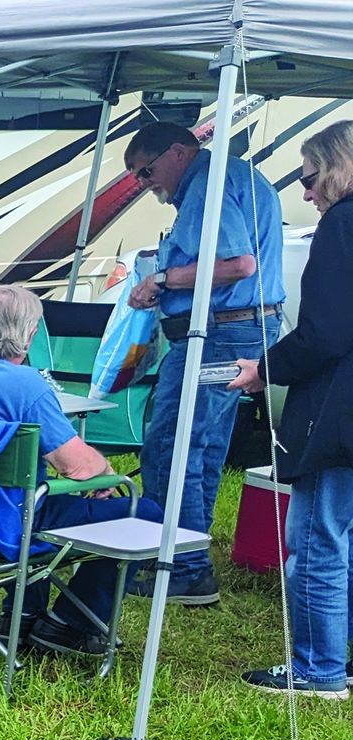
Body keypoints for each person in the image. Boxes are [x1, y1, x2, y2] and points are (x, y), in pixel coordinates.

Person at [0, 285, 161, 655]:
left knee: (23, 489)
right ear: (26, 335)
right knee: (145, 513)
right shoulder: (25, 386)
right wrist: (103, 468)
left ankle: (22, 614)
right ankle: (70, 625)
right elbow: (79, 467)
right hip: (7, 525)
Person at [119, 120, 286, 606]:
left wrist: (164, 279)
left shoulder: (207, 185)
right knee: (205, 446)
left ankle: (184, 567)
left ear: (177, 153)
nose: (144, 186)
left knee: (172, 444)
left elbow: (238, 264)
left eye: (145, 172)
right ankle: (184, 553)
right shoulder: (231, 176)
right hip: (245, 327)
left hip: (220, 332)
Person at [228, 122, 353, 700]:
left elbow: (325, 332)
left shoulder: (342, 226)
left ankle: (318, 668)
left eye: (308, 177)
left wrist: (263, 369)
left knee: (318, 539)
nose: (306, 193)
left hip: (339, 413)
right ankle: (339, 661)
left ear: (335, 166)